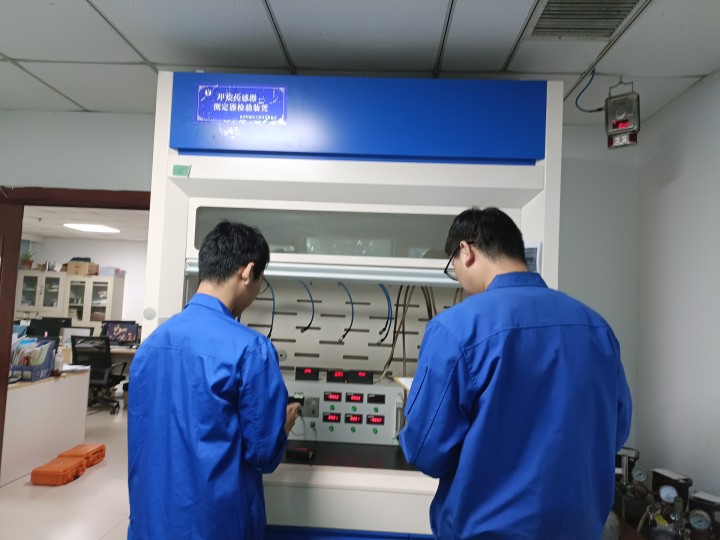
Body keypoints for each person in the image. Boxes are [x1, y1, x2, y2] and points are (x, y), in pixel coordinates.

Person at [399, 207, 632, 539]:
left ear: (466, 251)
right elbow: (615, 431)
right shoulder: (596, 327)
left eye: (453, 267)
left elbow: (426, 451)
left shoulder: (455, 328)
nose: (459, 279)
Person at [127, 221, 300, 540]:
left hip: (151, 522)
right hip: (216, 525)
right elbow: (263, 454)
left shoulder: (151, 345)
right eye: (261, 281)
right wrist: (284, 425)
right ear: (248, 271)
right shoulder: (251, 349)